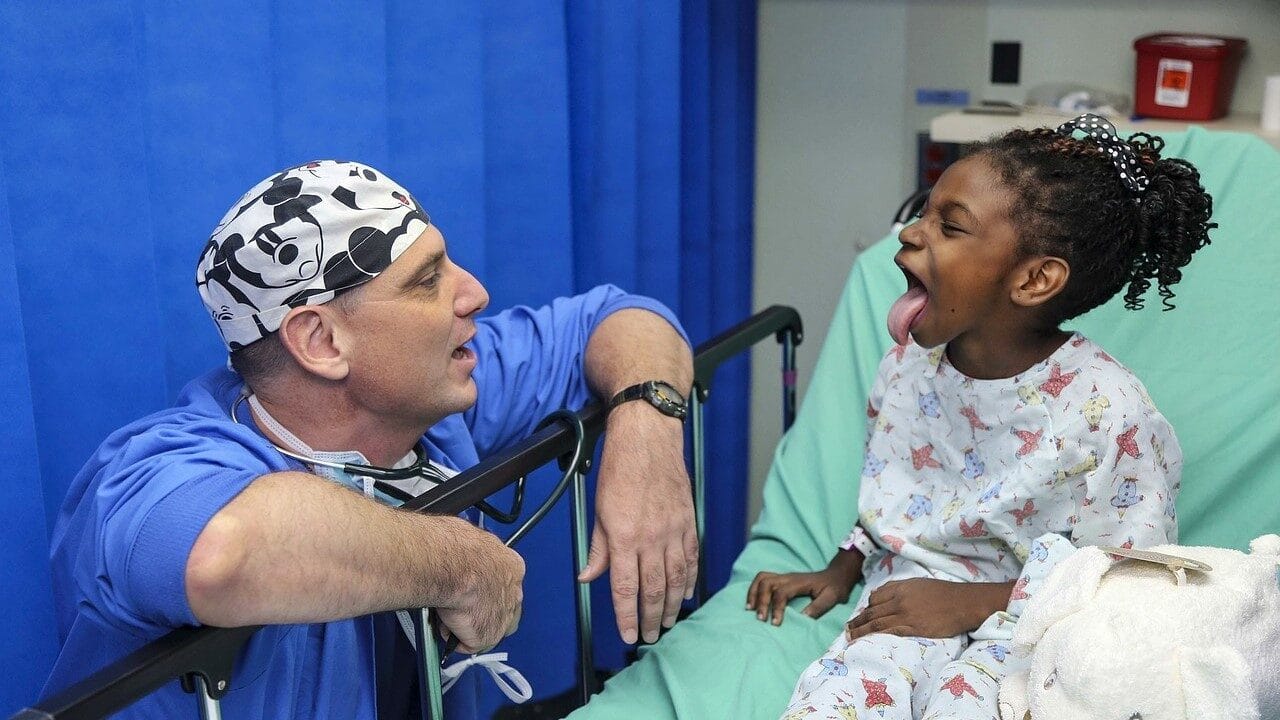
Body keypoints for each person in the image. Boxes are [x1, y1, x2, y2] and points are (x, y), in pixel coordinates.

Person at [44, 160, 699, 718]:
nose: (474, 294)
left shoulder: (430, 398)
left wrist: (647, 425)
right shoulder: (149, 473)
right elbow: (225, 552)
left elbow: (615, 320)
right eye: (428, 280)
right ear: (321, 341)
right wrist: (459, 564)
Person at [746, 115, 1215, 720]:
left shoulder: (1110, 411)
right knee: (836, 701)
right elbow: (897, 488)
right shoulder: (908, 368)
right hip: (905, 604)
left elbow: (1130, 583)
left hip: (1038, 627)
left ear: (1033, 279)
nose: (911, 234)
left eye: (950, 225)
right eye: (924, 212)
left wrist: (976, 604)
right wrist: (843, 567)